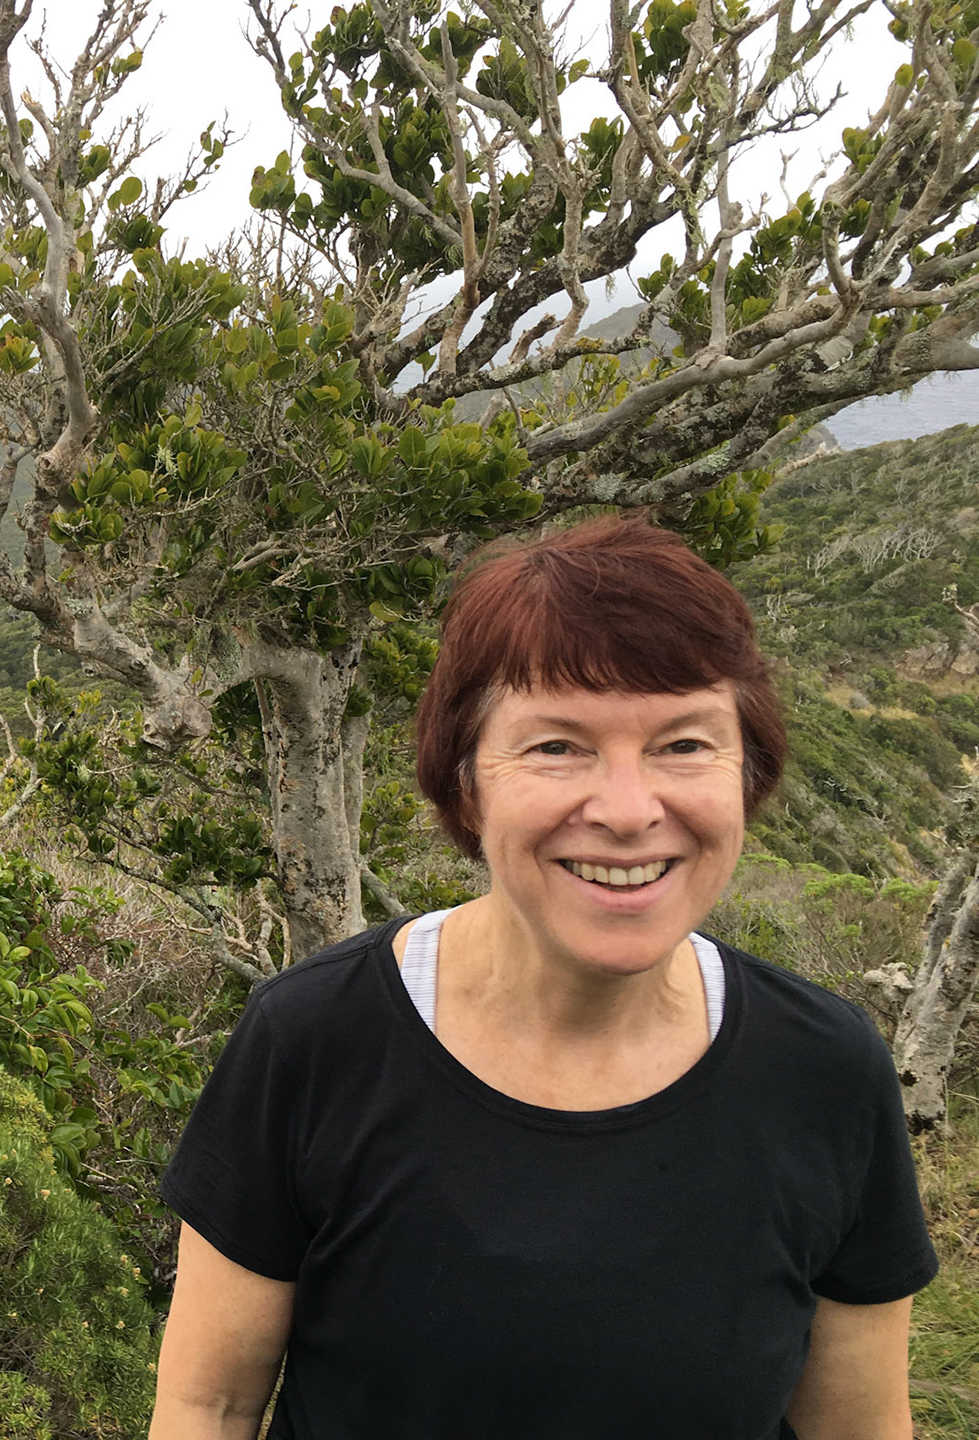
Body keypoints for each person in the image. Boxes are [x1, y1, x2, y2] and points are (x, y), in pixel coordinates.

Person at [149, 516, 937, 1440]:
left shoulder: (825, 1069)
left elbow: (861, 1426)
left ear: (747, 773)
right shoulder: (315, 1039)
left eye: (685, 744)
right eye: (557, 746)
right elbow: (208, 1405)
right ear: (466, 781)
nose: (629, 811)